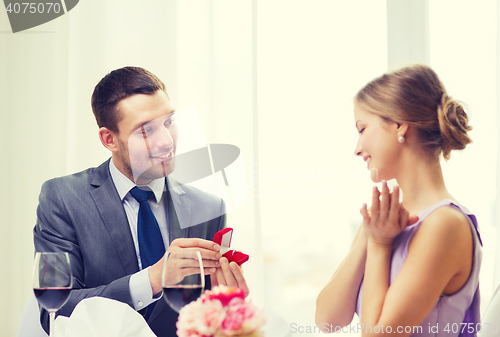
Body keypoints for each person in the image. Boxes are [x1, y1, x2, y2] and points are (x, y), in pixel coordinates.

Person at [33, 66, 249, 337]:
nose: (167, 141)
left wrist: (227, 309)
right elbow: (55, 309)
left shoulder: (209, 209)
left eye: (169, 122)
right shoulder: (63, 198)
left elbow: (201, 318)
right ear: (109, 139)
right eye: (146, 130)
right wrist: (153, 279)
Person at [315, 64, 482, 337]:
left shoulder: (445, 225)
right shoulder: (383, 221)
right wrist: (369, 236)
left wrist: (380, 245)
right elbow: (327, 320)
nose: (357, 149)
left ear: (399, 124)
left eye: (362, 128)